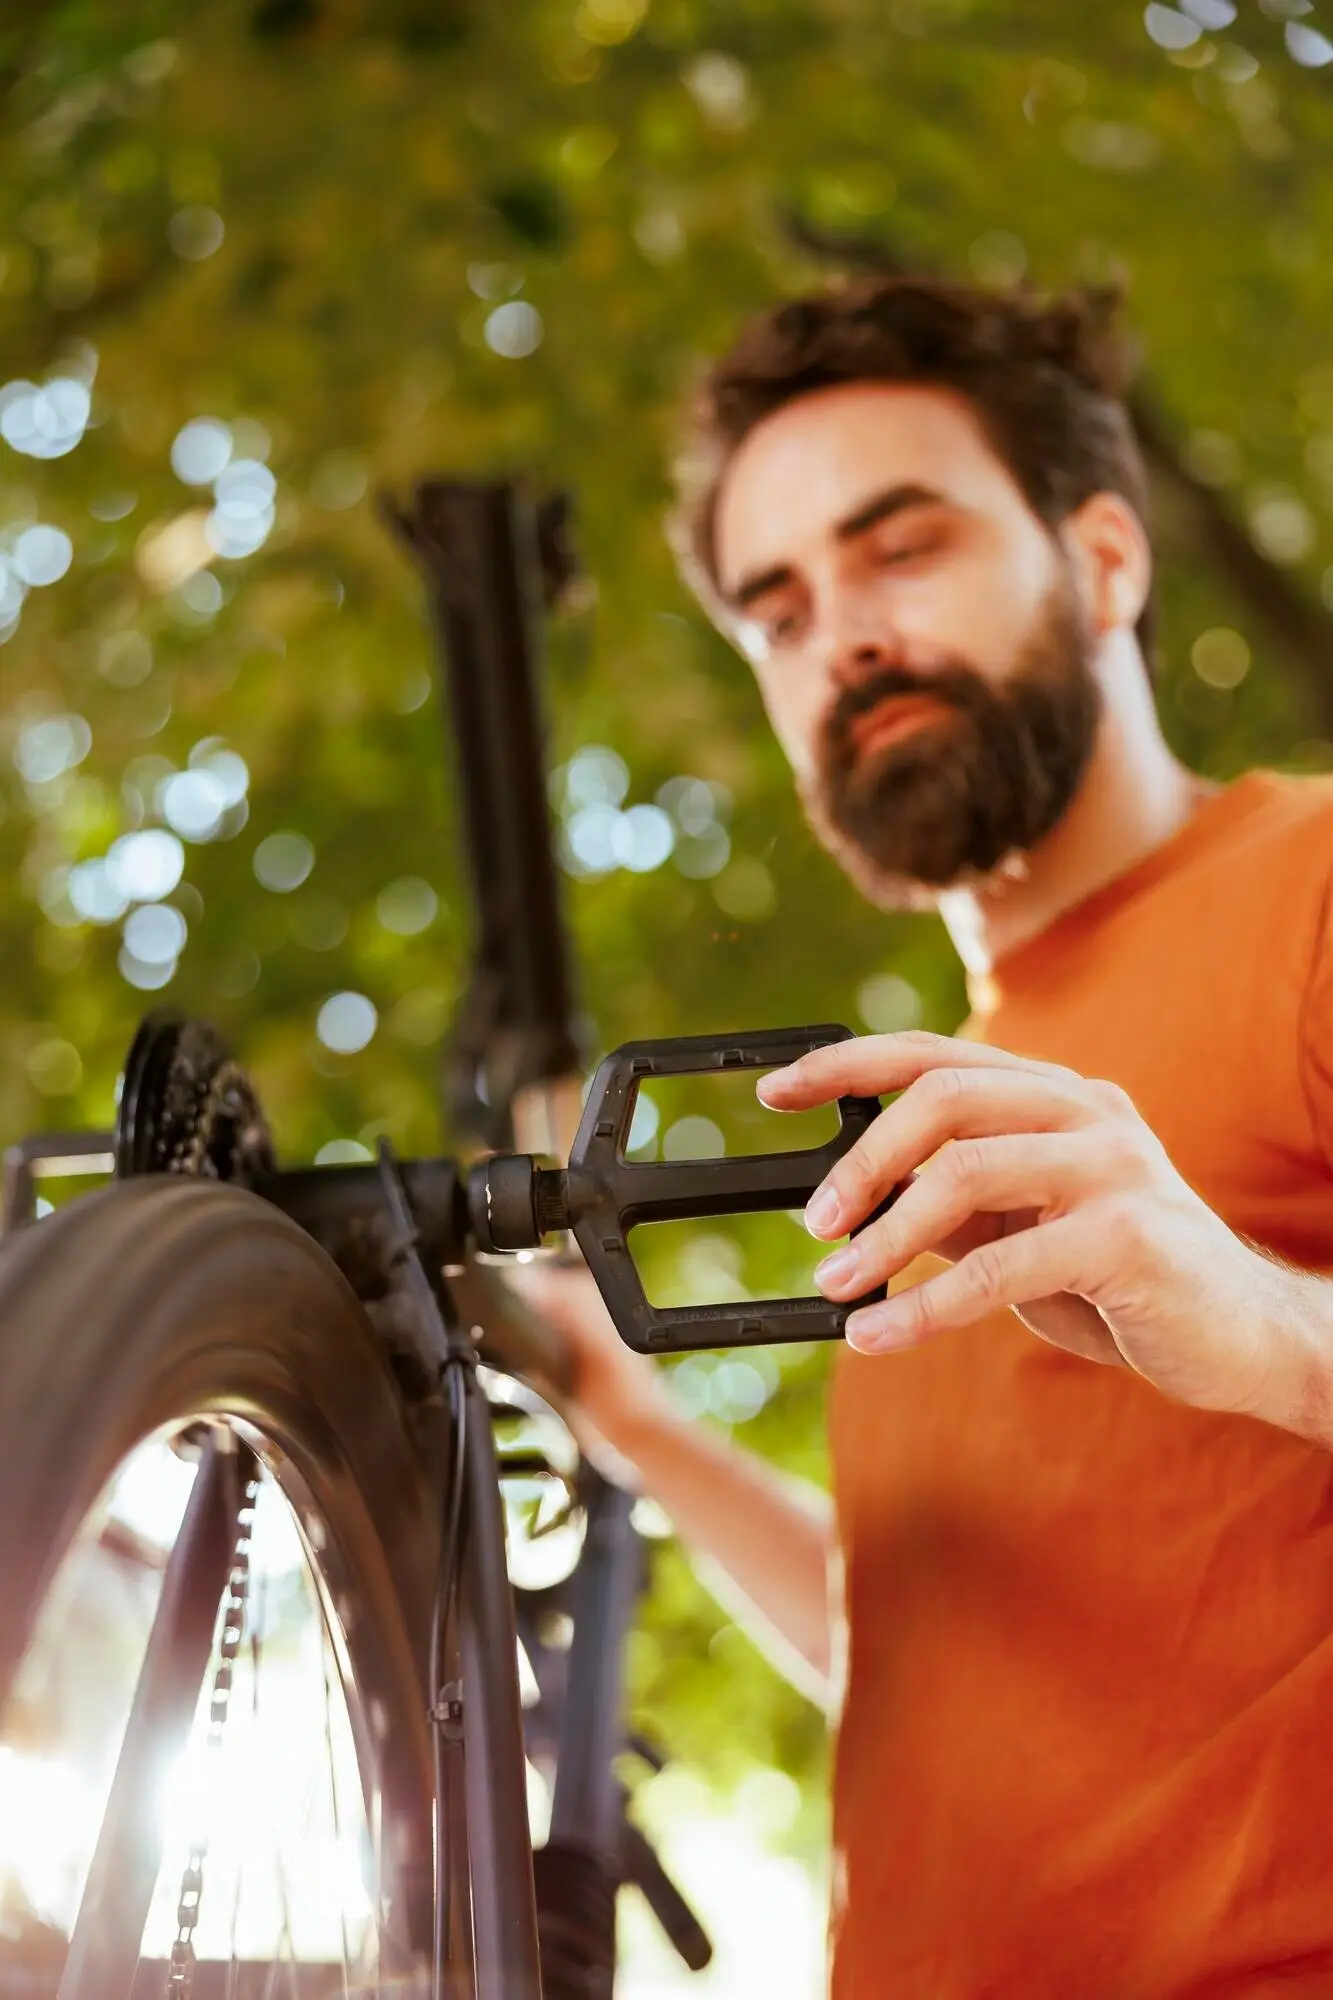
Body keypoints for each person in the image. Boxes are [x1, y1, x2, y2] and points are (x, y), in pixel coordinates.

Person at [512, 274, 1333, 1996]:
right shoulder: (934, 1123)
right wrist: (637, 1427)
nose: (845, 635)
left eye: (903, 550)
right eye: (781, 611)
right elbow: (923, 1670)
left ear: (1103, 560)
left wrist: (1259, 1321)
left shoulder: (1315, 886)